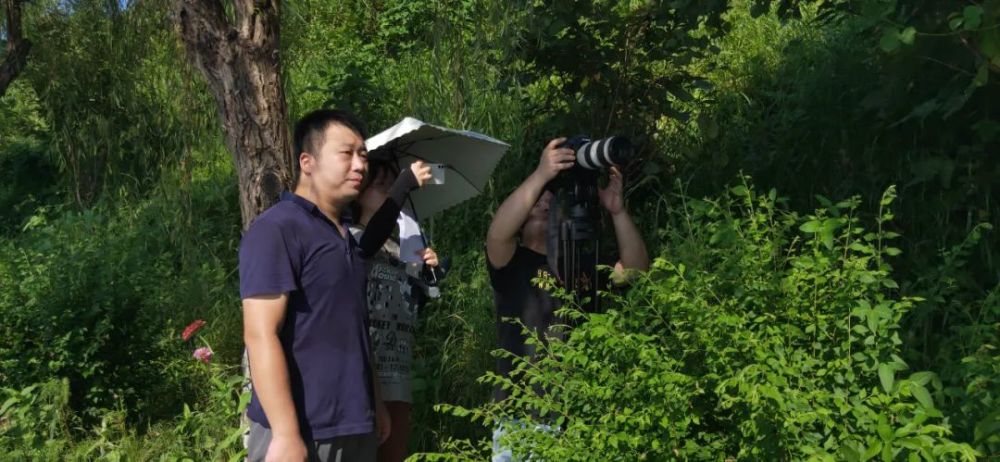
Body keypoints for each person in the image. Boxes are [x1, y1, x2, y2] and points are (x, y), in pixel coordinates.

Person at [484, 137, 650, 459]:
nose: (545, 203)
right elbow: (497, 232)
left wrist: (617, 212)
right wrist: (542, 174)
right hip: (520, 417)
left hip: (576, 416)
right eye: (536, 203)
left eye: (550, 201)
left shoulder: (579, 266)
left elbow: (635, 271)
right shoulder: (510, 263)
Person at [239, 109, 389, 462]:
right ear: (307, 161)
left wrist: (375, 403)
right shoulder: (277, 229)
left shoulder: (345, 237)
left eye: (363, 155)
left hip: (355, 425)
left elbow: (356, 330)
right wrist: (286, 433)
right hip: (303, 430)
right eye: (347, 153)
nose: (359, 166)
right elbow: (260, 334)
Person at [349, 159, 439, 462]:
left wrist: (428, 273)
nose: (388, 191)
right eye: (381, 184)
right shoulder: (350, 236)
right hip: (365, 368)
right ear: (358, 192)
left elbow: (412, 306)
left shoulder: (400, 246)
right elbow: (368, 245)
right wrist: (402, 187)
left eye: (392, 184)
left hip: (397, 367)